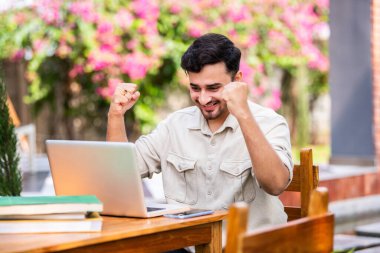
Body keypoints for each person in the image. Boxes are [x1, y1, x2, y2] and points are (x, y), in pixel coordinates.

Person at [107, 33, 293, 236]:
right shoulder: (174, 125)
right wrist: (116, 115)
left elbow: (275, 184)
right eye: (195, 88)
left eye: (213, 88)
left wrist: (243, 114)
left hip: (250, 247)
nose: (203, 99)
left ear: (237, 80)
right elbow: (119, 176)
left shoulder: (270, 123)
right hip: (187, 247)